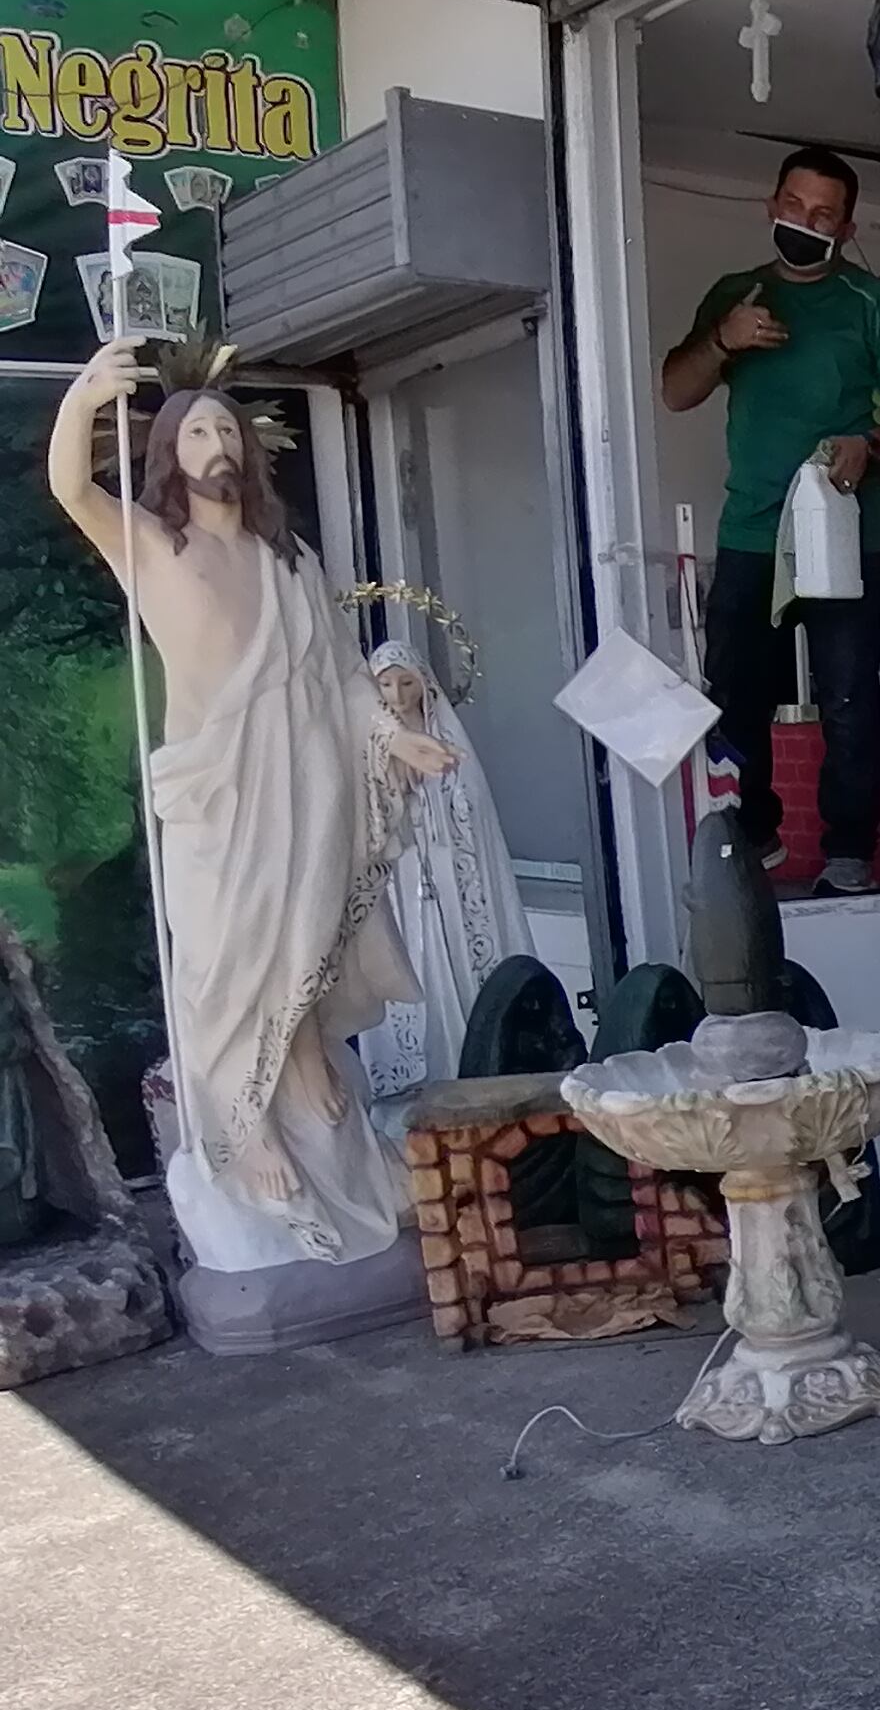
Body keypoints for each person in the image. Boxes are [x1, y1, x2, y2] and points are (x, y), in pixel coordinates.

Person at [47, 339, 455, 1270]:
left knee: (304, 939)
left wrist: (396, 738)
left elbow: (344, 677)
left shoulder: (291, 560)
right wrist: (83, 397)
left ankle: (306, 1060)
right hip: (217, 787)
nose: (216, 443)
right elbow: (73, 489)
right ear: (169, 457)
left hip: (303, 781)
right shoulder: (153, 544)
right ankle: (241, 1131)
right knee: (224, 960)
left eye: (227, 428)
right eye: (196, 431)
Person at [661, 146, 880, 897]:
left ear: (846, 228)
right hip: (750, 526)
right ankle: (755, 839)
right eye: (792, 205)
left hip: (847, 530)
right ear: (770, 204)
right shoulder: (736, 294)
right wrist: (724, 339)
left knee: (847, 694)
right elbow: (675, 391)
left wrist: (870, 445)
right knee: (735, 690)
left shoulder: (874, 304)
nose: (802, 223)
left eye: (821, 215)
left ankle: (848, 857)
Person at [355, 642, 536, 1099]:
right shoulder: (369, 746)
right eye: (386, 684)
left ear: (423, 684)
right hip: (402, 876)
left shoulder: (446, 738)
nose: (397, 694)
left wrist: (442, 799)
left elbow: (472, 808)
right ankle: (410, 1069)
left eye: (406, 682)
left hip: (452, 874)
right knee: (409, 957)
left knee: (460, 953)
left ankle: (469, 1052)